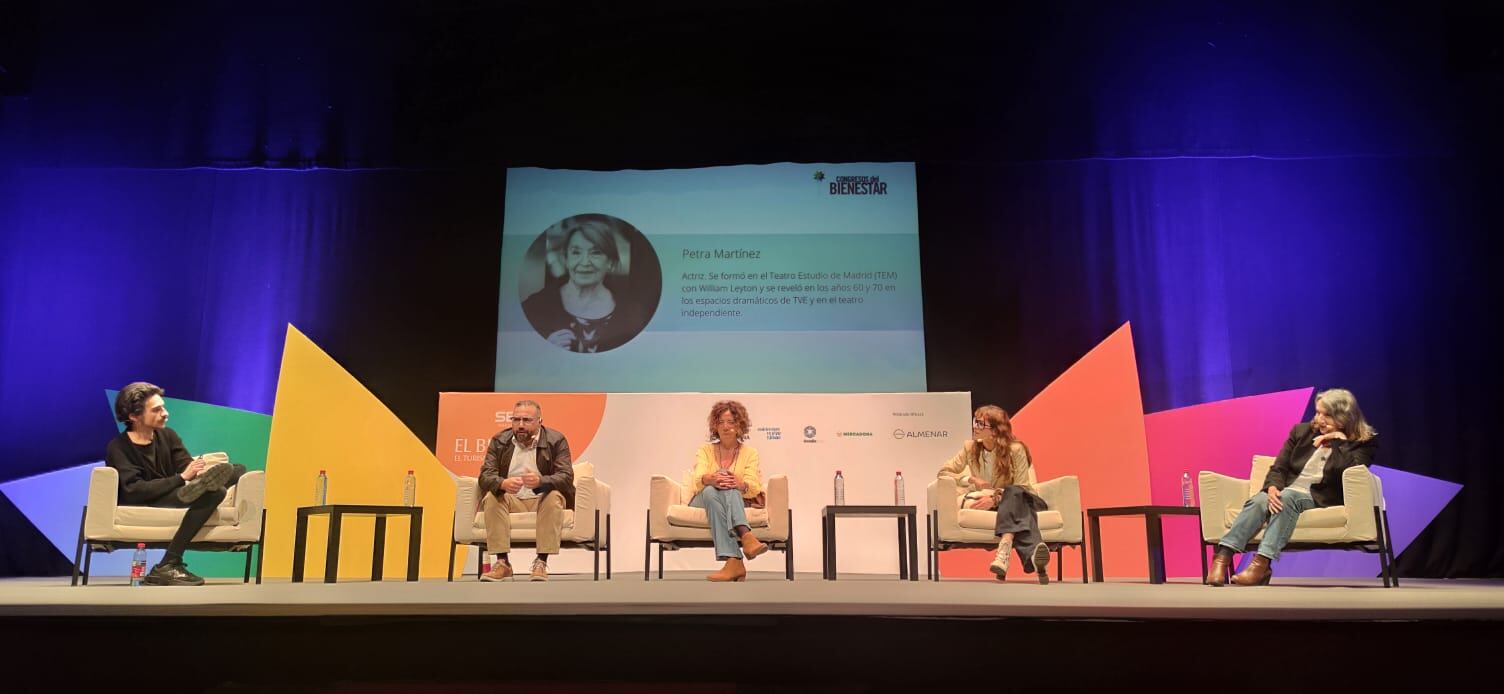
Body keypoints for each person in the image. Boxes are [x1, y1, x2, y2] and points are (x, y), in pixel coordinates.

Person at [1205, 388, 1379, 586]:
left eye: (1327, 415)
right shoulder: (1301, 431)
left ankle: (1260, 564)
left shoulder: (1364, 442)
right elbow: (1279, 467)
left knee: (1288, 498)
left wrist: (1338, 442)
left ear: (1345, 417)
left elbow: (1352, 472)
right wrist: (1272, 488)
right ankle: (1223, 556)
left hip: (1319, 497)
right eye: (1318, 412)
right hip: (1287, 491)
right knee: (1260, 500)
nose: (1320, 420)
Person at [105, 382, 245, 586]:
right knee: (215, 493)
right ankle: (169, 563)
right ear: (134, 417)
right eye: (157, 409)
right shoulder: (118, 447)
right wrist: (181, 478)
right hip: (145, 499)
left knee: (238, 469)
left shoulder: (167, 436)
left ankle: (199, 489)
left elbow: (184, 466)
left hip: (175, 493)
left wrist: (197, 475)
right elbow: (134, 490)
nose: (165, 413)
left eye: (163, 407)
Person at [937, 405, 1051, 584]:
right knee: (1021, 511)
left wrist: (995, 498)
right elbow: (944, 472)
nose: (975, 426)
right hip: (1011, 507)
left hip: (1024, 498)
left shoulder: (1016, 449)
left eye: (981, 424)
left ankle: (1004, 549)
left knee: (1014, 492)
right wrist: (971, 479)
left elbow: (1021, 486)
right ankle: (1034, 558)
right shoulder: (970, 448)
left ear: (996, 431)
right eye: (976, 422)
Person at [477, 400, 575, 582]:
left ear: (539, 421)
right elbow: (485, 476)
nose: (520, 425)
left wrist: (541, 481)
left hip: (541, 499)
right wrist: (502, 483)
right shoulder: (499, 441)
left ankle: (541, 562)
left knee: (553, 496)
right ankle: (502, 563)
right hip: (512, 500)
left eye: (527, 420)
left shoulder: (556, 440)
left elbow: (566, 476)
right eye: (516, 419)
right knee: (492, 496)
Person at [521, 216, 644, 353]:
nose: (584, 262)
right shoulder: (535, 307)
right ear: (566, 259)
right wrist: (545, 348)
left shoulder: (632, 313)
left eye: (595, 253)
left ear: (610, 262)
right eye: (576, 252)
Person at [688, 400, 768, 582]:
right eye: (721, 422)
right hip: (700, 499)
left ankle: (734, 562)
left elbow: (753, 485)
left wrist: (740, 484)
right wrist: (711, 479)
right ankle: (746, 536)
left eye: (731, 422)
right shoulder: (705, 450)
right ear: (715, 426)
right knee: (711, 487)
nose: (725, 427)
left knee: (718, 489)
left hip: (724, 498)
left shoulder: (750, 453)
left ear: (740, 425)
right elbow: (698, 477)